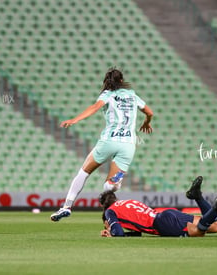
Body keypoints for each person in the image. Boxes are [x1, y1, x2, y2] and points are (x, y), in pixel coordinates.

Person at [51, 68, 153, 222]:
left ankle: (66, 207)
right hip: (128, 143)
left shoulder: (108, 94)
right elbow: (150, 112)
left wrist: (75, 119)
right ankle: (114, 184)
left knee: (84, 172)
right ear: (121, 80)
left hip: (109, 140)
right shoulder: (132, 95)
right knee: (109, 186)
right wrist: (146, 122)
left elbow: (95, 107)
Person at [99, 176, 217, 237]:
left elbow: (118, 233)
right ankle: (197, 196)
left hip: (162, 223)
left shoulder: (110, 211)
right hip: (166, 214)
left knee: (198, 232)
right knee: (215, 226)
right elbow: (137, 232)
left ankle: (216, 207)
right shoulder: (128, 202)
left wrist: (111, 233)